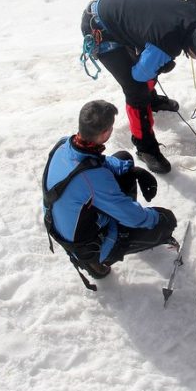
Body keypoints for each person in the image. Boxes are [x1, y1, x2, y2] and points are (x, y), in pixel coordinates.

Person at [80, 0, 196, 173]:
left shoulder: (195, 15)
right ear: (194, 52)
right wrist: (159, 63)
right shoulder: (167, 42)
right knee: (136, 89)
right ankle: (145, 147)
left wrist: (159, 62)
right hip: (99, 26)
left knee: (152, 61)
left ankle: (152, 100)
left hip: (114, 1)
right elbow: (138, 75)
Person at [41, 100, 178, 290]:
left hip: (61, 219)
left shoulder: (66, 143)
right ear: (105, 133)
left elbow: (97, 162)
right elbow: (134, 216)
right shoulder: (92, 179)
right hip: (86, 244)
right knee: (165, 221)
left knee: (123, 159)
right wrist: (159, 220)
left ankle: (117, 220)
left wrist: (134, 170)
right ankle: (95, 262)